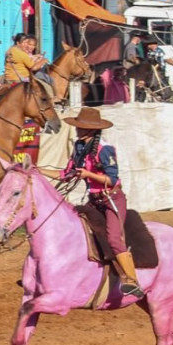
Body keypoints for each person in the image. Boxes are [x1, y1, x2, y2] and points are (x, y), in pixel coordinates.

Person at [59, 107, 141, 299]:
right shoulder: (79, 147)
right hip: (94, 200)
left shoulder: (105, 150)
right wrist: (38, 171)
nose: (78, 129)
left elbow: (112, 179)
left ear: (90, 130)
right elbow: (65, 175)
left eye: (81, 126)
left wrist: (87, 174)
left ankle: (132, 280)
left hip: (111, 198)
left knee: (113, 238)